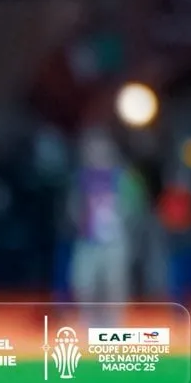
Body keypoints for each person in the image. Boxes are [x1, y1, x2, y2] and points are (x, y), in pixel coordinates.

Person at [67, 129, 145, 310]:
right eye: (91, 149)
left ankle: (113, 327)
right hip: (88, 240)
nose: (95, 153)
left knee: (114, 283)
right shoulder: (81, 177)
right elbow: (72, 205)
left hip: (115, 240)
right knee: (83, 282)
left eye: (99, 148)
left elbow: (137, 204)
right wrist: (78, 219)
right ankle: (88, 322)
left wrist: (123, 217)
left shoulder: (123, 176)